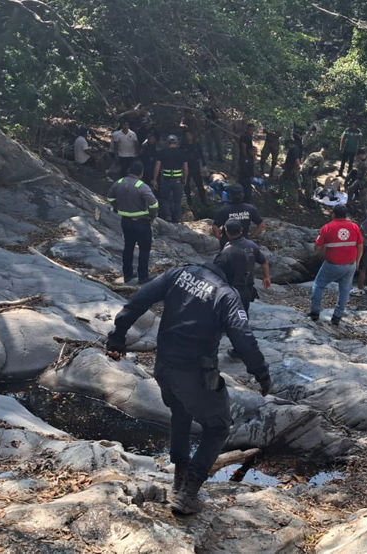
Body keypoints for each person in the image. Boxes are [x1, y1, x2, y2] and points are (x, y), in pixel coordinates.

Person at [105, 262, 272, 515]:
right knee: (218, 428)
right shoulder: (226, 295)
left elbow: (138, 300)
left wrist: (117, 337)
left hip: (164, 368)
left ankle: (179, 480)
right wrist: (262, 374)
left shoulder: (179, 273)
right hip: (196, 374)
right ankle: (189, 493)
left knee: (181, 414)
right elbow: (243, 338)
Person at [309, 204, 363, 326]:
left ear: (333, 214)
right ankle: (337, 317)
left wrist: (320, 244)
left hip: (332, 265)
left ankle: (315, 313)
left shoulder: (327, 228)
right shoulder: (354, 227)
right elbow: (360, 246)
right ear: (346, 215)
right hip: (350, 265)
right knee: (345, 291)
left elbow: (317, 248)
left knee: (318, 285)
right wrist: (357, 262)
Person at [107, 161, 158, 284]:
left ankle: (128, 274)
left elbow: (110, 197)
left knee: (128, 247)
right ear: (141, 173)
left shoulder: (119, 182)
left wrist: (117, 207)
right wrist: (152, 215)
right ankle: (143, 276)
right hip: (141, 222)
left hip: (125, 221)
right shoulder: (141, 186)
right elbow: (154, 204)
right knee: (144, 249)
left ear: (129, 170)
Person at [215, 219, 271, 312]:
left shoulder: (227, 251)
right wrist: (267, 277)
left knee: (231, 315)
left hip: (232, 291)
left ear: (226, 231)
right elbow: (264, 262)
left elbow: (216, 272)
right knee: (244, 314)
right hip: (247, 289)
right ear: (241, 230)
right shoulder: (251, 245)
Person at [213, 183, 264, 249]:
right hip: (245, 244)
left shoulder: (224, 210)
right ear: (243, 195)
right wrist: (251, 237)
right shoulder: (250, 209)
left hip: (227, 245)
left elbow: (215, 227)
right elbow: (261, 225)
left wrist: (221, 240)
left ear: (229, 195)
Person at [154, 135, 190, 223]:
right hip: (178, 180)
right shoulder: (182, 152)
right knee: (177, 200)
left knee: (165, 199)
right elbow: (185, 168)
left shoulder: (162, 152)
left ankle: (168, 216)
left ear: (167, 143)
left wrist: (154, 179)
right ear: (177, 143)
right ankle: (177, 217)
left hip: (166, 179)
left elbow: (157, 167)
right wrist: (185, 178)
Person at [183, 130, 208, 207]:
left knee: (199, 184)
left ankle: (203, 200)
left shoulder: (196, 144)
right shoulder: (183, 145)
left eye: (189, 135)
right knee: (186, 184)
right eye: (186, 135)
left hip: (196, 166)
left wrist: (204, 165)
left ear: (192, 136)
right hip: (186, 167)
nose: (188, 137)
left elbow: (201, 155)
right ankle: (189, 200)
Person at [347, 148, 367, 212]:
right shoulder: (362, 160)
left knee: (363, 200)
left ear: (361, 155)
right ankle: (348, 204)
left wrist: (362, 184)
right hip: (358, 180)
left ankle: (364, 213)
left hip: (364, 182)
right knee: (350, 190)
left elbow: (366, 175)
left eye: (358, 155)